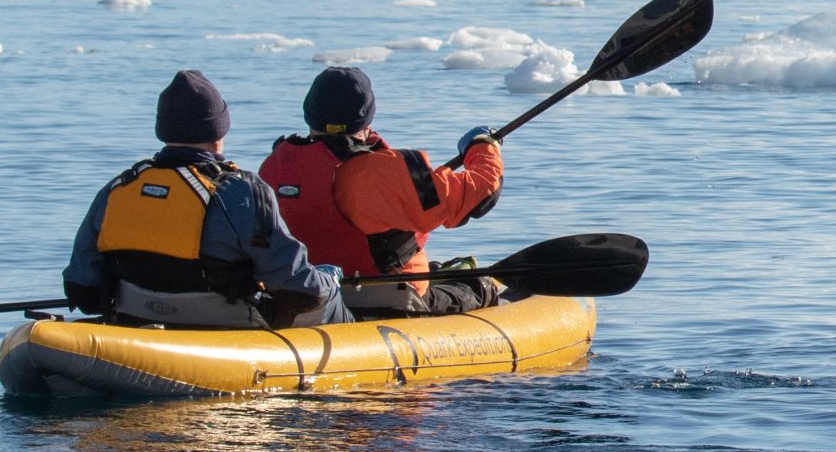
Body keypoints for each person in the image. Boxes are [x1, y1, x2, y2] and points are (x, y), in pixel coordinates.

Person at [63, 69, 349, 328]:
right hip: (226, 328)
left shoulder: (118, 188)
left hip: (136, 320)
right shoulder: (242, 191)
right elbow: (298, 289)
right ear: (218, 132)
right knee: (327, 290)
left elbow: (82, 289)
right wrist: (328, 279)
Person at [259, 65, 506, 317]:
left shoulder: (274, 166)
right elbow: (482, 193)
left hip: (309, 299)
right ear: (366, 116)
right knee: (478, 286)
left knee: (439, 270)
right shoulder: (389, 171)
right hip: (388, 301)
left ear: (310, 113)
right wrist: (482, 146)